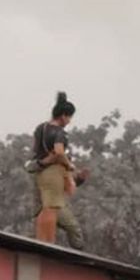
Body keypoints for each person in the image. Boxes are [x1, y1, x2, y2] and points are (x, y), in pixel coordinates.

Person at [31, 92, 83, 246]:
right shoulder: (59, 132)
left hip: (40, 170)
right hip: (53, 172)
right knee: (51, 208)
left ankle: (41, 239)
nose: (69, 121)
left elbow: (36, 149)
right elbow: (59, 151)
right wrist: (68, 165)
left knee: (44, 207)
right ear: (63, 116)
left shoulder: (41, 128)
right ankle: (47, 242)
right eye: (69, 117)